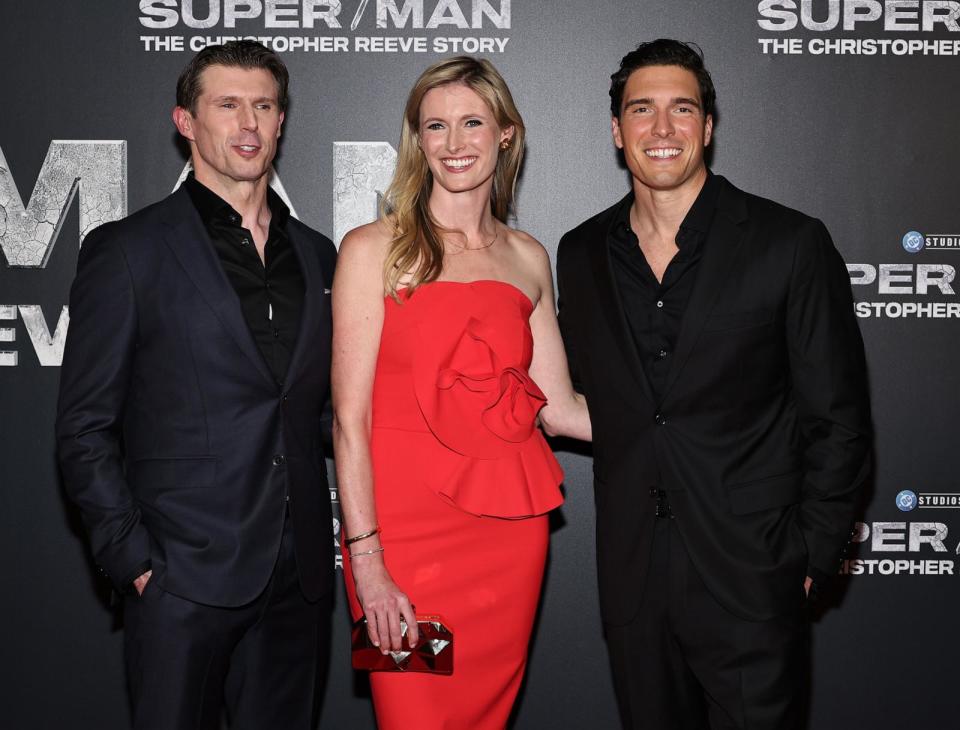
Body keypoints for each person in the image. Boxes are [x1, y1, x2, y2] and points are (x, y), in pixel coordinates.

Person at [556, 39, 872, 730]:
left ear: (708, 127)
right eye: (642, 110)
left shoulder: (789, 242)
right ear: (617, 130)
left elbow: (838, 418)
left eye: (682, 109)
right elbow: (589, 400)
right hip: (634, 575)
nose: (661, 129)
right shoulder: (580, 252)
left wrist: (812, 554)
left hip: (752, 575)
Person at [56, 41, 336, 730]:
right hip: (182, 577)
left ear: (281, 120)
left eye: (264, 106)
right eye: (228, 105)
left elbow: (325, 411)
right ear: (187, 121)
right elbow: (85, 426)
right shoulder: (129, 249)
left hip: (298, 579)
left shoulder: (318, 253)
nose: (249, 124)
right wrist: (134, 561)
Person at [332, 56, 590, 730]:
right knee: (412, 713)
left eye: (472, 122)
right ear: (417, 139)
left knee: (483, 717)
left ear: (506, 133)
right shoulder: (373, 249)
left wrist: (692, 418)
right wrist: (367, 565)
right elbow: (349, 422)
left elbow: (559, 409)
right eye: (435, 126)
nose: (454, 143)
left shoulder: (528, 257)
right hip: (401, 544)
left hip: (507, 536)